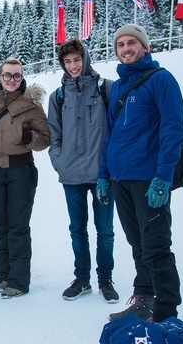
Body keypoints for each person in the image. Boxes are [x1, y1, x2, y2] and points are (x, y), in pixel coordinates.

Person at [97, 24, 183, 323]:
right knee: (138, 245)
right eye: (120, 44)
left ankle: (166, 313)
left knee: (156, 246)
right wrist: (103, 175)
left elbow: (174, 129)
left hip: (149, 179)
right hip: (121, 179)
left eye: (131, 42)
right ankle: (143, 299)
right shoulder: (119, 86)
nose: (125, 48)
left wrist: (164, 176)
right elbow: (110, 135)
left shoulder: (161, 80)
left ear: (145, 47)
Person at [46, 38, 119, 304]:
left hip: (103, 175)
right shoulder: (58, 96)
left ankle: (105, 279)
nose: (74, 66)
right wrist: (59, 161)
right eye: (68, 61)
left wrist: (110, 166)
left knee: (105, 230)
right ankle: (82, 279)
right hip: (71, 176)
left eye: (77, 60)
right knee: (78, 228)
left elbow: (118, 131)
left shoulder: (106, 89)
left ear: (86, 59)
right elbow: (54, 136)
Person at [0, 58, 51, 299]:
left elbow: (45, 138)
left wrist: (28, 136)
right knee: (0, 227)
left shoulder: (31, 106)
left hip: (20, 172)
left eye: (16, 76)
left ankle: (18, 280)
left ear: (22, 77)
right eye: (7, 75)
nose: (11, 80)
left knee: (18, 227)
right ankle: (4, 275)